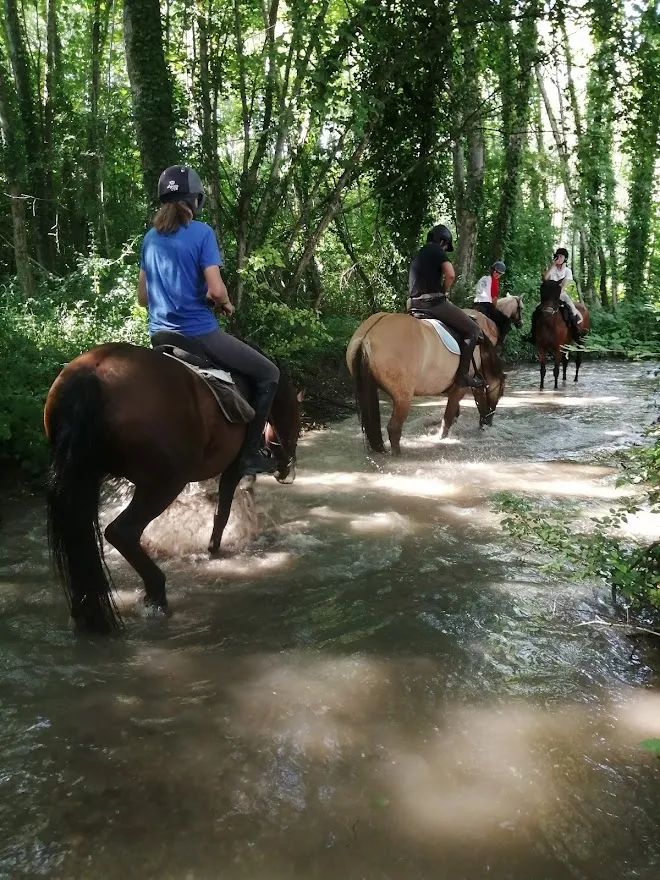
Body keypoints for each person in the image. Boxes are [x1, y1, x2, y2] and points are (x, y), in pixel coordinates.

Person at [138, 165, 280, 476]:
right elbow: (215, 289)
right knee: (269, 373)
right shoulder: (202, 233)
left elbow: (143, 298)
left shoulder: (150, 238)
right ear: (196, 201)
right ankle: (250, 454)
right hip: (198, 335)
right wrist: (225, 303)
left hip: (159, 336)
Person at [407, 224, 483, 389]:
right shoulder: (437, 251)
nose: (446, 248)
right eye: (446, 246)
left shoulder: (418, 254)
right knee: (473, 330)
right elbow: (450, 274)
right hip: (432, 304)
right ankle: (463, 376)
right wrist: (444, 291)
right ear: (442, 241)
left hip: (413, 304)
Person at [542, 247, 583, 339]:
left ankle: (576, 332)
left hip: (561, 293)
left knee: (572, 309)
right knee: (538, 309)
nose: (559, 258)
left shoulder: (568, 271)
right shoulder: (552, 269)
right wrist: (552, 266)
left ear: (565, 258)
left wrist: (558, 293)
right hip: (549, 295)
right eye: (557, 256)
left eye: (561, 256)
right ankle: (532, 334)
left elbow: (564, 285)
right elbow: (545, 278)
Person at [473, 261, 507, 337]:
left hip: (476, 305)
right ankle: (499, 343)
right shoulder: (494, 281)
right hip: (486, 307)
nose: (499, 275)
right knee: (505, 321)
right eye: (500, 273)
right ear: (495, 272)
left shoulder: (483, 278)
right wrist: (494, 308)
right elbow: (494, 299)